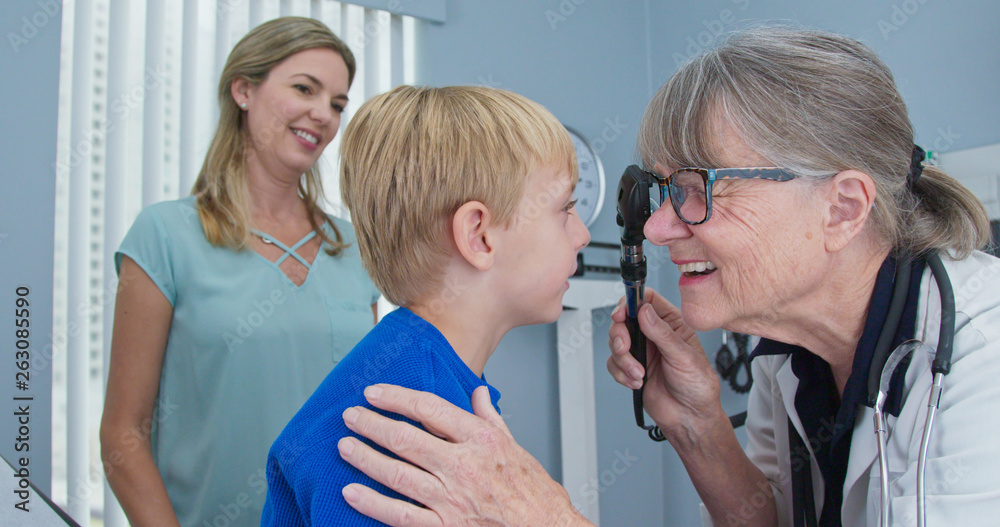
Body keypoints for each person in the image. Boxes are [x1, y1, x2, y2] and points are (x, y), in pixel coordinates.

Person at [330, 27, 1000, 526]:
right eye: (665, 190)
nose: (656, 228)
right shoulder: (787, 355)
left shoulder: (981, 359)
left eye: (697, 188)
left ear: (842, 207)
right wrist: (698, 424)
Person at [258, 84, 591, 525]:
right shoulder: (396, 423)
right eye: (565, 209)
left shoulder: (431, 375)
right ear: (479, 236)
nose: (583, 233)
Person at [99, 17, 381, 527]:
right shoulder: (165, 235)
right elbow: (123, 433)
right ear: (243, 89)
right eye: (304, 89)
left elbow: (368, 415)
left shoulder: (356, 247)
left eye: (337, 103)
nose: (323, 114)